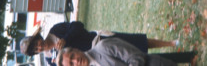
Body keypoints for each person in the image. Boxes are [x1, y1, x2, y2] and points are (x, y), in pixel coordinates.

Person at [20, 21, 178, 63]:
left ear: (38, 38)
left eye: (36, 44)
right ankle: (174, 59)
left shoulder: (56, 30)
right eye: (35, 50)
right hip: (98, 62)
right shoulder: (51, 59)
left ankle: (170, 44)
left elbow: (78, 26)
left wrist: (66, 39)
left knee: (138, 43)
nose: (39, 47)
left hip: (102, 43)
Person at [56, 39, 197, 66]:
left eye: (73, 56)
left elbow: (136, 57)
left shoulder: (103, 47)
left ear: (76, 50)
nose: (76, 61)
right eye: (72, 64)